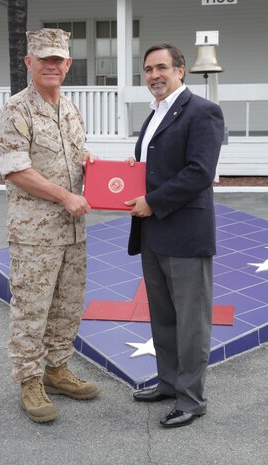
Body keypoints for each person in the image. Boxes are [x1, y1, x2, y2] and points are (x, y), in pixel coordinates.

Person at [0, 28, 101, 423]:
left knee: (67, 306)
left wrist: (94, 164)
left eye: (59, 59)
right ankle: (29, 380)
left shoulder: (71, 109)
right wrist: (65, 196)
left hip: (73, 230)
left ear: (68, 64)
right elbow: (17, 170)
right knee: (31, 309)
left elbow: (73, 154)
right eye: (44, 59)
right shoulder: (15, 110)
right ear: (29, 63)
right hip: (35, 234)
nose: (52, 65)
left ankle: (57, 370)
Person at [125, 43, 224, 428]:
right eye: (148, 70)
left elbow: (199, 172)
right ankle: (168, 382)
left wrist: (151, 199)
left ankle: (192, 399)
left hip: (185, 232)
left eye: (162, 67)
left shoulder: (202, 111)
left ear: (180, 70)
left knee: (191, 322)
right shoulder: (154, 113)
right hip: (153, 232)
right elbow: (158, 167)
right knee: (164, 317)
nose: (154, 76)